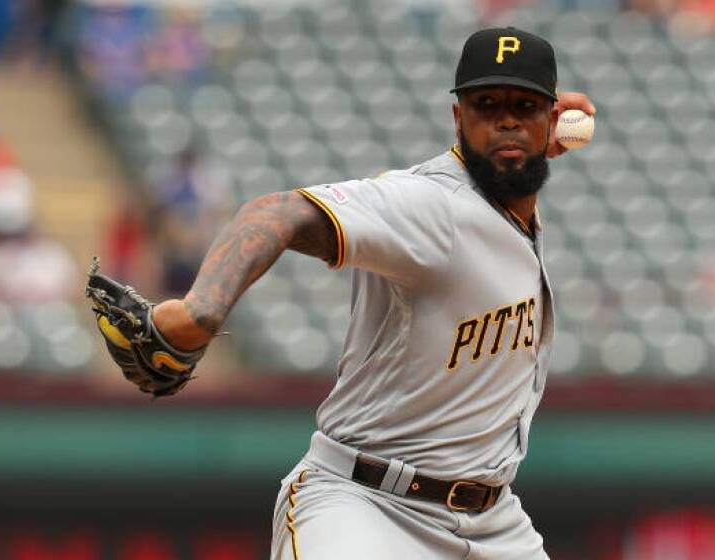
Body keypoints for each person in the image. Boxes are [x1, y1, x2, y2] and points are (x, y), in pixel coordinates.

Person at [125, 27, 594, 558]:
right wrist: (200, 310)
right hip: (367, 507)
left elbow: (511, 167)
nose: (506, 119)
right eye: (487, 105)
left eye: (525, 106)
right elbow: (273, 213)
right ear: (458, 118)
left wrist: (528, 145)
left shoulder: (509, 205)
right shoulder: (431, 205)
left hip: (493, 524)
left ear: (554, 121)